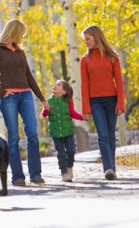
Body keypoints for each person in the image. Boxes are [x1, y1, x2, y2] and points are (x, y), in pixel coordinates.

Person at [0, 19, 47, 186]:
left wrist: (42, 98)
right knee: (13, 137)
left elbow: (29, 76)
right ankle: (18, 177)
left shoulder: (20, 52)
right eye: (20, 34)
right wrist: (2, 91)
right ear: (13, 32)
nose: (21, 38)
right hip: (9, 98)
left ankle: (35, 174)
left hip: (26, 95)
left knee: (33, 134)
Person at [80, 25, 125, 181]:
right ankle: (108, 168)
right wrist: (85, 108)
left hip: (112, 100)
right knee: (103, 135)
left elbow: (119, 81)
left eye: (88, 39)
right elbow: (84, 85)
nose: (85, 42)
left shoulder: (112, 56)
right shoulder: (84, 60)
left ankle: (111, 167)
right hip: (95, 102)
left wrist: (121, 103)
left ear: (96, 37)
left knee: (111, 136)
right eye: (84, 39)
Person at [41, 80, 83, 182]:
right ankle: (64, 173)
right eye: (55, 84)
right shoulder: (49, 101)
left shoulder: (67, 102)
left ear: (64, 92)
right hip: (56, 133)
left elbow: (73, 113)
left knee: (71, 151)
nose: (55, 85)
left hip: (68, 132)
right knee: (61, 153)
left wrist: (82, 117)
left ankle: (69, 167)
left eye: (58, 85)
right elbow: (44, 115)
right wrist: (46, 109)